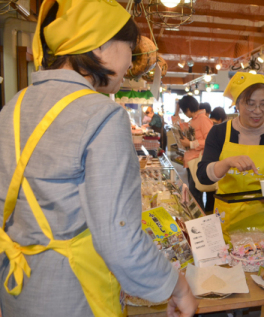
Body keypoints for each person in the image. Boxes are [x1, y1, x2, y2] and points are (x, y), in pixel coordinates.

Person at [0, 1, 197, 316]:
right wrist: (177, 286)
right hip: (76, 293)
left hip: (18, 289)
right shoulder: (101, 114)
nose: (131, 62)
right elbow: (119, 236)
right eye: (129, 48)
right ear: (101, 44)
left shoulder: (15, 106)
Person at [197, 73, 264, 243]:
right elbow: (203, 176)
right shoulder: (219, 133)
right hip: (226, 221)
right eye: (250, 104)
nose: (258, 111)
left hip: (262, 227)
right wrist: (226, 163)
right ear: (237, 105)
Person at [177, 96, 214, 211]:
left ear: (188, 108)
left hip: (198, 160)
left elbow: (210, 140)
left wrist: (191, 144)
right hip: (191, 160)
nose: (184, 113)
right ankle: (200, 218)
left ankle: (201, 219)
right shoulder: (192, 121)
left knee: (195, 192)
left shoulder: (203, 119)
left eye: (184, 111)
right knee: (194, 192)